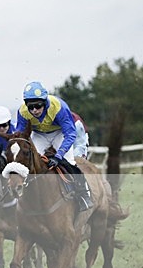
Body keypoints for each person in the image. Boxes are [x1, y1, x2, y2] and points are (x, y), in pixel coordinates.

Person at [16, 81, 93, 211]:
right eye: (30, 107)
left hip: (60, 133)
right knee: (28, 162)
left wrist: (58, 156)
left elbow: (70, 134)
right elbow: (20, 136)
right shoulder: (22, 112)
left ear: (45, 102)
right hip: (39, 135)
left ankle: (83, 194)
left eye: (38, 105)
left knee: (69, 162)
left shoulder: (58, 107)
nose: (34, 110)